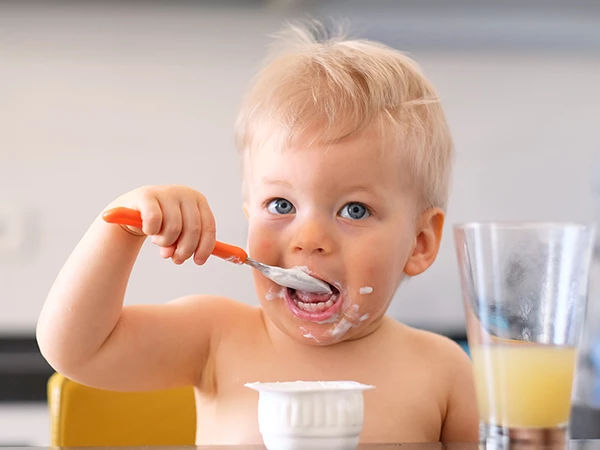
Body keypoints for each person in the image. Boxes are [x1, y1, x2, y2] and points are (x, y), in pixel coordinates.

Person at [37, 22, 478, 444]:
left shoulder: (443, 372)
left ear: (420, 243)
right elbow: (76, 349)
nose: (308, 238)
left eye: (354, 209)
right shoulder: (214, 339)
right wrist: (122, 224)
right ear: (250, 215)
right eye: (281, 205)